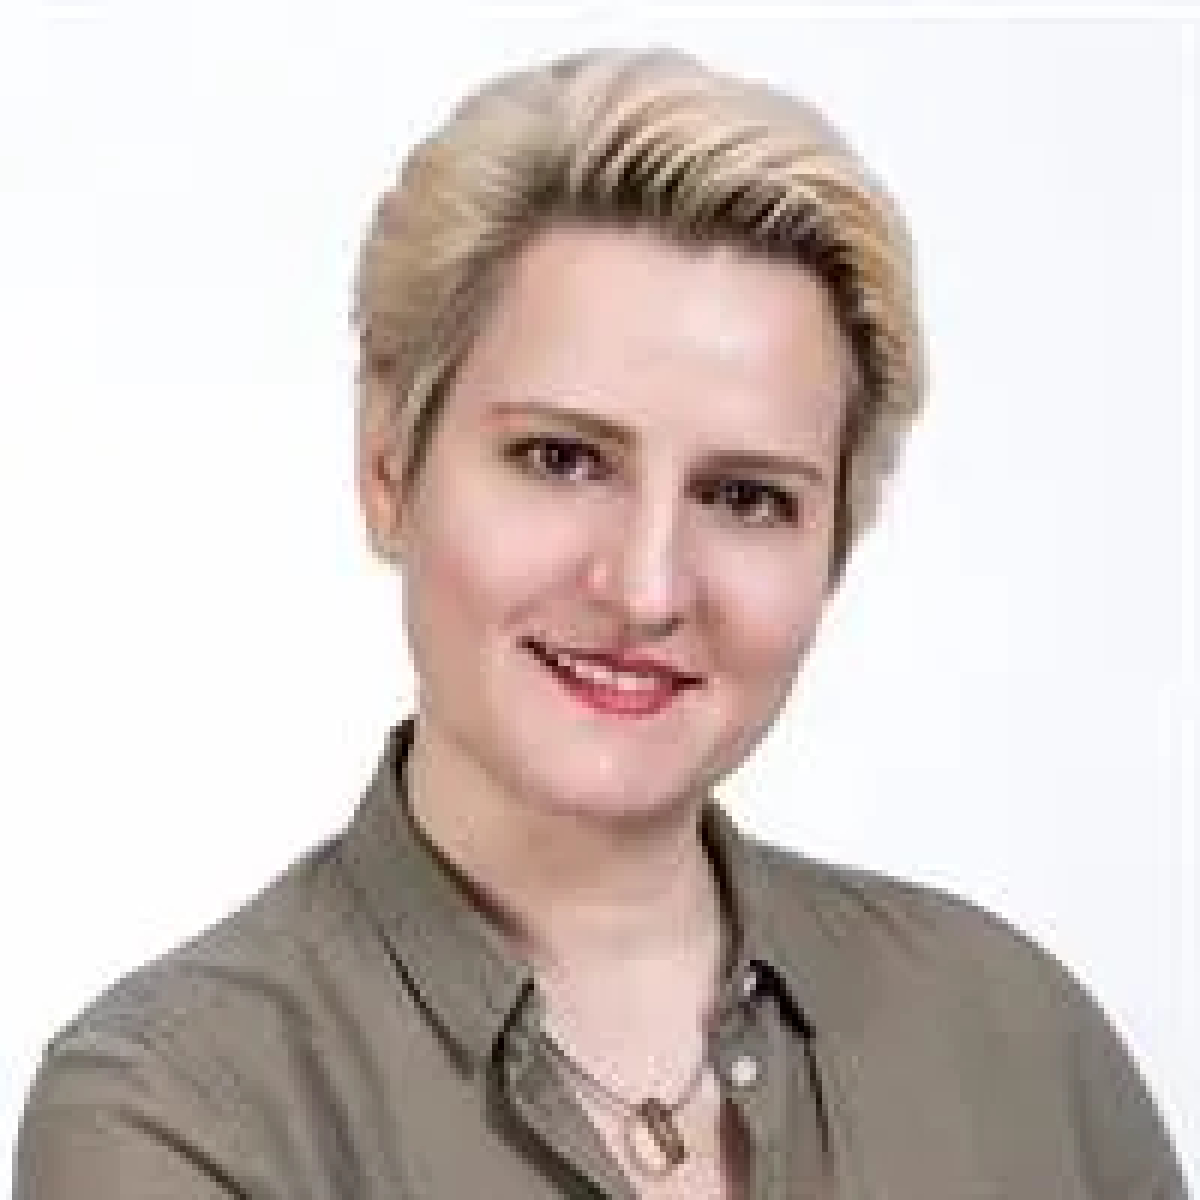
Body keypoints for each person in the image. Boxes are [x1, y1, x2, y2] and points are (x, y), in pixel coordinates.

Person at [14, 46, 1187, 1200]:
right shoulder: (180, 1113)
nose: (645, 588)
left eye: (746, 497)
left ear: (835, 548)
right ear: (387, 469)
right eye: (562, 459)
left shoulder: (1017, 1046)